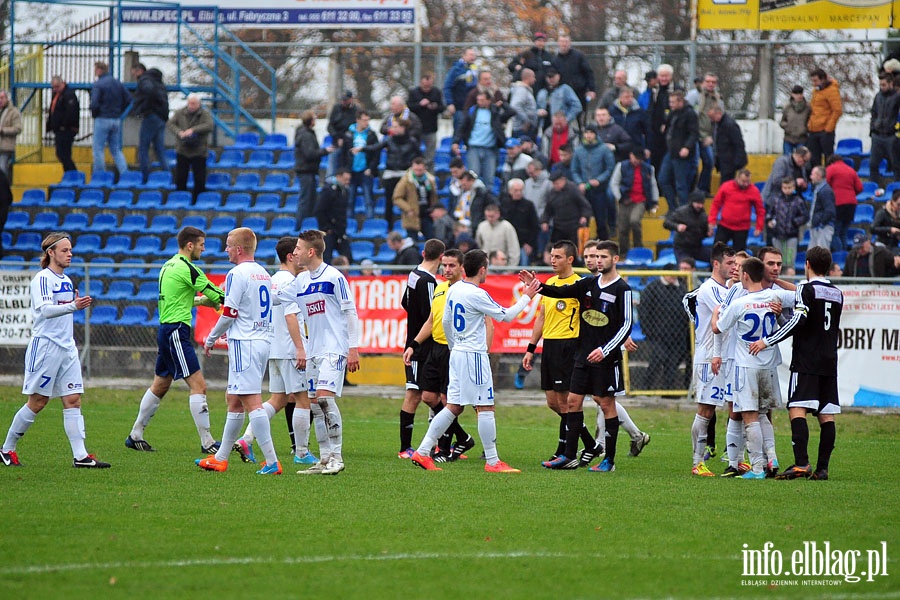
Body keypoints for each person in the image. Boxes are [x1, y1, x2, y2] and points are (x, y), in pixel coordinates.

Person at [409, 249, 541, 472]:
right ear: (482, 269)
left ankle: (422, 452)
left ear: (463, 268)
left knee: (453, 407)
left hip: (458, 352)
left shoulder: (454, 289)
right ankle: (492, 461)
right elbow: (506, 316)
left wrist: (454, 346)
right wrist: (528, 295)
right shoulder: (476, 293)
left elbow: (446, 322)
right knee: (486, 406)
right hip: (473, 355)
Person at [521, 240, 633, 473]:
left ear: (615, 259)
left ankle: (608, 460)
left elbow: (626, 324)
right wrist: (537, 286)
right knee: (572, 402)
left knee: (605, 403)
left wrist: (605, 349)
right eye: (596, 256)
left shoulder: (622, 289)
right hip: (582, 355)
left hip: (605, 357)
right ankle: (569, 456)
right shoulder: (588, 283)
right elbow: (559, 291)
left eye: (603, 257)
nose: (599, 260)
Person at [0, 232, 110, 469]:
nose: (70, 254)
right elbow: (45, 310)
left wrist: (72, 305)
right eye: (65, 250)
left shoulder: (67, 280)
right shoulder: (42, 278)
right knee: (38, 401)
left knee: (73, 399)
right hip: (46, 346)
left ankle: (80, 456)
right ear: (50, 252)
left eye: (70, 250)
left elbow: (62, 310)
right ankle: (7, 448)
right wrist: (73, 305)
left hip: (67, 346)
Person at [126, 225, 225, 453]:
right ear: (190, 245)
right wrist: (235, 300)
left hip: (166, 329)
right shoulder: (189, 269)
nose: (203, 249)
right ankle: (208, 442)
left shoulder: (167, 265)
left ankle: (135, 434)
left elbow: (179, 300)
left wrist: (200, 302)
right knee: (199, 385)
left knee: (160, 385)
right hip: (176, 332)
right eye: (201, 244)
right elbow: (215, 293)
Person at [749, 246, 842, 481]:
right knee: (826, 414)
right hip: (829, 360)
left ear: (807, 264)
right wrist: (782, 283)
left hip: (807, 360)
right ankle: (822, 469)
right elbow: (806, 292)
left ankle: (801, 463)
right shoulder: (837, 293)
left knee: (797, 408)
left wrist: (767, 341)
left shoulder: (806, 291)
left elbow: (798, 319)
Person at [276, 229, 360, 475]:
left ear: (311, 251)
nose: (295, 253)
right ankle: (324, 459)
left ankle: (337, 456)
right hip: (313, 352)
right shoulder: (300, 281)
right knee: (314, 404)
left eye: (299, 249)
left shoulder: (334, 277)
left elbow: (350, 312)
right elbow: (275, 298)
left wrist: (353, 348)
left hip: (333, 350)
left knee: (325, 398)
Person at [198, 228, 279, 475]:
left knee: (251, 401)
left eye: (228, 245)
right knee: (234, 400)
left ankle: (272, 461)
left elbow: (230, 312)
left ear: (239, 249)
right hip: (260, 340)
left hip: (246, 343)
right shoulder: (263, 273)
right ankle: (220, 457)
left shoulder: (237, 273)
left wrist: (211, 337)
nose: (225, 250)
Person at [232, 237, 317, 465]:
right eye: (298, 252)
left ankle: (247, 438)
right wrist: (301, 348)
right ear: (290, 257)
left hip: (273, 348)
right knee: (302, 400)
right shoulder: (291, 282)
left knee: (278, 399)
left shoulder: (271, 281)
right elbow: (291, 316)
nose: (301, 256)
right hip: (290, 349)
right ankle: (301, 453)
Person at [712, 257, 795, 479]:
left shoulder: (740, 303)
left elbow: (718, 328)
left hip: (746, 365)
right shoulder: (775, 297)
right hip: (768, 365)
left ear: (745, 275)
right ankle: (772, 458)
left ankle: (757, 468)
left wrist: (714, 314)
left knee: (749, 416)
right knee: (762, 415)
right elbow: (801, 294)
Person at [522, 240, 598, 463]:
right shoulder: (551, 283)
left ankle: (564, 450)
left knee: (566, 402)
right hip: (550, 346)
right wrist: (530, 348)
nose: (552, 260)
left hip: (569, 346)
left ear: (570, 259)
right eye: (551, 256)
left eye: (557, 257)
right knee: (553, 403)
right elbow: (542, 318)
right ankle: (591, 444)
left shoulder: (579, 285)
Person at [402, 249, 475, 462]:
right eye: (444, 265)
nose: (447, 269)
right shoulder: (440, 288)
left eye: (452, 265)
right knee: (428, 397)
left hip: (455, 351)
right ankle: (462, 438)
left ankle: (443, 450)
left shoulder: (468, 290)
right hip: (436, 350)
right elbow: (431, 321)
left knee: (447, 399)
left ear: (462, 267)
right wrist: (414, 344)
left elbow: (485, 321)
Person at [681, 242, 736, 477]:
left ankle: (737, 459)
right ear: (716, 264)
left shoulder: (727, 289)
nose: (734, 267)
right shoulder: (709, 289)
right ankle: (697, 462)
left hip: (726, 356)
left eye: (736, 263)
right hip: (708, 357)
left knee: (735, 407)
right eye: (730, 263)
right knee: (706, 409)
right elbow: (726, 317)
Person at [397, 239, 445, 457]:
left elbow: (404, 303)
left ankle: (442, 444)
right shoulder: (427, 282)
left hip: (421, 343)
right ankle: (404, 447)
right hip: (421, 346)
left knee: (435, 395)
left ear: (424, 252)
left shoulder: (413, 273)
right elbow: (431, 317)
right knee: (415, 394)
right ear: (442, 258)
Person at [641, 265, 690, 391]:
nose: (672, 276)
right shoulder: (652, 288)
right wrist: (648, 332)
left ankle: (668, 390)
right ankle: (645, 387)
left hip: (677, 335)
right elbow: (644, 311)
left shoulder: (682, 290)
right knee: (657, 359)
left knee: (672, 364)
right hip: (657, 335)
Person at [367, 119, 420, 231]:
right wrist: (362, 149)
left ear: (403, 128)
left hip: (405, 175)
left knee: (408, 202)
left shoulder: (412, 141)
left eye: (395, 127)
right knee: (388, 202)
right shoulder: (389, 140)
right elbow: (375, 147)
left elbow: (419, 157)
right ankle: (389, 228)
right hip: (390, 174)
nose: (392, 129)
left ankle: (410, 227)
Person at [452, 90, 513, 186]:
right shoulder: (472, 112)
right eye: (478, 100)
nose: (479, 102)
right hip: (474, 148)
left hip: (490, 149)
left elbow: (511, 112)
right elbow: (462, 127)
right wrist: (456, 141)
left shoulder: (495, 112)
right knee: (473, 177)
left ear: (489, 100)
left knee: (489, 179)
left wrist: (503, 104)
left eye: (482, 100)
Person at [610, 144, 659, 255]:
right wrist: (620, 197)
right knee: (622, 228)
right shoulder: (621, 166)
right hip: (625, 200)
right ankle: (623, 252)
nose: (637, 161)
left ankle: (638, 249)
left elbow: (653, 185)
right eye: (636, 158)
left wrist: (654, 201)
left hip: (640, 200)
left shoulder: (648, 169)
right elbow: (614, 183)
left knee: (635, 221)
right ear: (631, 156)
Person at [572, 123, 615, 240]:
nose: (588, 135)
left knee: (600, 219)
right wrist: (579, 182)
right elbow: (574, 169)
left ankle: (604, 240)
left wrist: (599, 180)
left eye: (591, 133)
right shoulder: (578, 150)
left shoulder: (604, 149)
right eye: (586, 133)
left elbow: (610, 168)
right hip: (584, 191)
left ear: (595, 134)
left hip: (599, 190)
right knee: (582, 219)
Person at [658, 89, 699, 212]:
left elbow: (694, 133)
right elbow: (669, 125)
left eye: (673, 102)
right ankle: (673, 208)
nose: (670, 104)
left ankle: (683, 211)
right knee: (663, 179)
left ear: (680, 101)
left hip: (682, 154)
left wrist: (687, 147)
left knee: (681, 185)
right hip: (671, 152)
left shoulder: (690, 114)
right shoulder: (673, 113)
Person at [168, 93, 213, 201]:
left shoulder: (205, 114)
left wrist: (193, 130)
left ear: (199, 104)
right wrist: (179, 132)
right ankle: (180, 199)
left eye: (194, 104)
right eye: (190, 103)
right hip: (182, 149)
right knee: (181, 177)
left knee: (199, 178)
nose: (191, 106)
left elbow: (209, 125)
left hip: (199, 150)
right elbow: (170, 124)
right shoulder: (180, 113)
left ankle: (198, 200)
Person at [708, 168, 765, 251]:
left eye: (747, 182)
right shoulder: (726, 186)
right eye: (743, 181)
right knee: (717, 251)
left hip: (742, 228)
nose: (745, 184)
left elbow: (760, 210)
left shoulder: (754, 191)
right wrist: (712, 221)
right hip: (725, 225)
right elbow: (716, 204)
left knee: (739, 255)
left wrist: (759, 227)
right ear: (737, 178)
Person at [294, 110, 334, 228]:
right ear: (311, 121)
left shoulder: (305, 132)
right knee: (306, 200)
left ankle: (306, 225)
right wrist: (325, 151)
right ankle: (300, 225)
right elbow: (310, 154)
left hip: (308, 171)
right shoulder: (306, 135)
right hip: (306, 171)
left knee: (310, 200)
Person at [90, 62, 130, 176]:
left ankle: (100, 176)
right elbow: (128, 99)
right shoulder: (118, 83)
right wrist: (119, 111)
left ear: (98, 70)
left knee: (98, 149)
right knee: (116, 150)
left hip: (102, 118)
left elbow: (94, 103)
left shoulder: (98, 84)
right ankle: (125, 174)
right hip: (116, 119)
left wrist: (95, 114)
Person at [131, 63, 169, 184]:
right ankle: (167, 175)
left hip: (151, 116)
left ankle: (145, 177)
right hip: (161, 117)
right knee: (159, 149)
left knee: (143, 147)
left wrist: (143, 108)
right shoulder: (159, 82)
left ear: (139, 71)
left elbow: (149, 92)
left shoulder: (145, 80)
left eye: (134, 71)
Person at [766, 178, 809, 276]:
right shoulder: (776, 200)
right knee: (777, 260)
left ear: (793, 187)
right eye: (785, 188)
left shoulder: (798, 201)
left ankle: (789, 281)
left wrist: (795, 222)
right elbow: (769, 213)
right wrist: (769, 221)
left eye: (789, 188)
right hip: (777, 235)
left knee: (789, 261)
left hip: (791, 235)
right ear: (781, 188)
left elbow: (805, 216)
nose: (787, 190)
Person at [551, 35, 595, 127]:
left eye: (566, 42)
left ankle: (581, 133)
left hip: (579, 92)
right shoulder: (555, 60)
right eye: (562, 42)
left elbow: (588, 72)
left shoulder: (579, 56)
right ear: (558, 43)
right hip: (563, 95)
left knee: (581, 117)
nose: (564, 44)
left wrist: (591, 89)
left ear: (570, 43)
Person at [343, 111, 379, 219]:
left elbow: (376, 154)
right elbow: (344, 154)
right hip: (351, 171)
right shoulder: (348, 134)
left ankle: (370, 222)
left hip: (365, 171)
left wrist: (371, 168)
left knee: (368, 200)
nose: (366, 123)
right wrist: (345, 170)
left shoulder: (371, 134)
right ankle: (348, 225)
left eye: (368, 120)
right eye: (364, 120)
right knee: (349, 200)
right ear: (358, 120)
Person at [393, 156, 439, 240]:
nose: (418, 172)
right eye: (416, 170)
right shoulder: (406, 180)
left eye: (420, 170)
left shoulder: (430, 180)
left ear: (425, 169)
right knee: (412, 242)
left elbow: (433, 197)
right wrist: (408, 209)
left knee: (432, 240)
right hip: (412, 215)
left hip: (427, 214)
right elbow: (397, 198)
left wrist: (434, 208)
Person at [541, 170, 591, 244]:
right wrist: (544, 221)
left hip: (573, 226)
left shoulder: (573, 189)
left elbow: (584, 205)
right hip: (558, 227)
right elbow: (548, 210)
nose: (555, 186)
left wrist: (584, 216)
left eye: (557, 183)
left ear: (563, 180)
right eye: (553, 184)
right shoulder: (552, 193)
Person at [825, 154, 862, 252]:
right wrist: (851, 194)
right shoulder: (851, 170)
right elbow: (859, 188)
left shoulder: (831, 168)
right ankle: (845, 256)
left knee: (834, 233)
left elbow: (825, 185)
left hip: (838, 203)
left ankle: (839, 255)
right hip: (851, 204)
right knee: (844, 232)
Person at [407, 74, 445, 169]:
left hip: (431, 128)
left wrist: (434, 107)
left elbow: (442, 107)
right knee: (414, 153)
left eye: (429, 86)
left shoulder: (436, 92)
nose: (427, 88)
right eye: (425, 86)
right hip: (416, 129)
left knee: (430, 155)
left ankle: (429, 173)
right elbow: (409, 107)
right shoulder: (414, 92)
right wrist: (420, 105)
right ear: (420, 83)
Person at [806, 68, 842, 167]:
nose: (814, 83)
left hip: (825, 130)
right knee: (814, 159)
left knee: (828, 158)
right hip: (813, 129)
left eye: (816, 81)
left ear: (823, 80)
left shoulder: (832, 91)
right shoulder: (816, 91)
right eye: (813, 81)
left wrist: (828, 128)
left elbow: (837, 111)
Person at [315, 168, 353, 262]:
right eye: (345, 179)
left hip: (340, 231)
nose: (347, 182)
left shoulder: (345, 191)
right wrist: (326, 228)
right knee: (326, 258)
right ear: (338, 177)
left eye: (348, 180)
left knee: (348, 257)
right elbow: (319, 210)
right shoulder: (328, 190)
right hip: (329, 231)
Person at [500, 178, 539, 266]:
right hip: (506, 244)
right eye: (516, 190)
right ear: (510, 191)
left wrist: (530, 243)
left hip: (523, 245)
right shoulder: (503, 204)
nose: (519, 193)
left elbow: (535, 226)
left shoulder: (529, 205)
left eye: (521, 190)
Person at [695, 73, 722, 195]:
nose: (710, 84)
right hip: (696, 135)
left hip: (709, 137)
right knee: (696, 164)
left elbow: (720, 118)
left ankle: (702, 189)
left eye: (713, 82)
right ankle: (697, 189)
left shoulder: (718, 99)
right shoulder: (695, 96)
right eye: (708, 81)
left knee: (709, 162)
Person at [869, 72, 899, 183]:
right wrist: (872, 128)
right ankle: (874, 187)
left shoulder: (897, 97)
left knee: (896, 164)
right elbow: (873, 113)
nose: (882, 87)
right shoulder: (878, 96)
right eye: (880, 84)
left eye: (884, 84)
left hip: (891, 135)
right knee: (873, 164)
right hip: (877, 135)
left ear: (891, 83)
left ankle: (897, 189)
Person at [665, 190, 710, 263]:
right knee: (685, 265)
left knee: (715, 260)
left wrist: (707, 233)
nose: (700, 206)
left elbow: (702, 232)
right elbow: (666, 223)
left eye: (702, 203)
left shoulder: (703, 215)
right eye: (698, 203)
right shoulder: (681, 212)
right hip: (682, 248)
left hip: (697, 247)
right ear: (692, 202)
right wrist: (677, 226)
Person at [46, 76, 80, 173]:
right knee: (62, 154)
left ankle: (73, 174)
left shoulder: (69, 95)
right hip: (59, 129)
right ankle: (69, 174)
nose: (55, 89)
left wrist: (63, 125)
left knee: (64, 154)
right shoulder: (57, 95)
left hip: (66, 129)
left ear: (62, 83)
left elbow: (71, 112)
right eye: (53, 87)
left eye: (57, 87)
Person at [707, 103, 747, 184]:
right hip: (724, 161)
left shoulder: (729, 125)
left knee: (726, 186)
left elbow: (739, 144)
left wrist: (737, 162)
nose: (711, 119)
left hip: (730, 162)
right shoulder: (717, 125)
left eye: (712, 117)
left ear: (718, 113)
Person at [443, 48, 479, 135]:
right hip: (460, 107)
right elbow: (447, 87)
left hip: (472, 108)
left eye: (474, 55)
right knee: (459, 131)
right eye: (470, 55)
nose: (472, 57)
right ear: (464, 56)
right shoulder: (456, 69)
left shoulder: (474, 70)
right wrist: (450, 103)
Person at [647, 64, 674, 172]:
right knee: (656, 162)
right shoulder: (654, 91)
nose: (663, 78)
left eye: (666, 76)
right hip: (654, 133)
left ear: (671, 77)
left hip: (669, 134)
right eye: (661, 76)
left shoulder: (675, 90)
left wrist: (666, 123)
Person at [326, 91, 358, 175]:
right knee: (332, 171)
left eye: (346, 100)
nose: (343, 102)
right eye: (343, 100)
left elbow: (356, 128)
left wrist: (345, 138)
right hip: (336, 144)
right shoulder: (336, 108)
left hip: (350, 146)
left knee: (348, 171)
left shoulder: (356, 110)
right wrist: (337, 138)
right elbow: (330, 126)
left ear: (351, 99)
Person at [609, 87, 648, 152]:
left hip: (635, 147)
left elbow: (647, 130)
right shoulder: (612, 111)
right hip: (616, 147)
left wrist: (647, 148)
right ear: (620, 97)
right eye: (627, 97)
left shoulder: (639, 112)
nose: (630, 99)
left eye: (631, 97)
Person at [807, 165, 837, 251]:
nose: (810, 177)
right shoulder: (819, 189)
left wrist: (821, 223)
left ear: (818, 176)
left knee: (821, 255)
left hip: (823, 228)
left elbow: (830, 210)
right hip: (817, 227)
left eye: (812, 174)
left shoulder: (825, 191)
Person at [780, 85, 810, 155]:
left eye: (801, 93)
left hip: (802, 138)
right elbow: (782, 121)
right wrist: (787, 126)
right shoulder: (787, 107)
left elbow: (810, 120)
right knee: (787, 159)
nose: (799, 96)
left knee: (802, 158)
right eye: (797, 94)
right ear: (792, 95)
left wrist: (805, 128)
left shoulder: (808, 108)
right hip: (788, 138)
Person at [509, 68, 538, 138]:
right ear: (528, 77)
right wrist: (526, 120)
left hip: (526, 128)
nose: (535, 80)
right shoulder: (521, 90)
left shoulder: (526, 90)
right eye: (533, 77)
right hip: (522, 129)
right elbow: (515, 106)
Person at [0, 90, 22, 180]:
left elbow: (18, 128)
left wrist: (3, 130)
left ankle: (3, 190)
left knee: (2, 168)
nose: (0, 100)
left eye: (1, 98)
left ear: (7, 98)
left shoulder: (14, 112)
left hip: (6, 146)